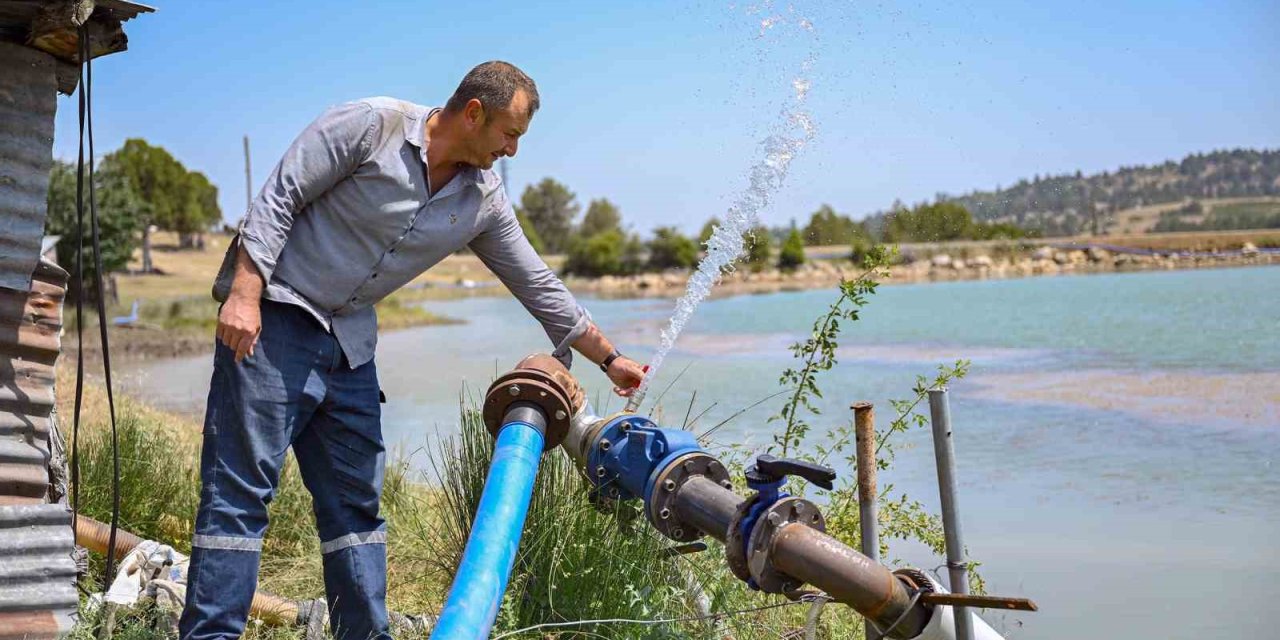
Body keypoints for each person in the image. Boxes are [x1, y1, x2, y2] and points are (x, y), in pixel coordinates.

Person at [180, 61, 645, 640]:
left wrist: (610, 358)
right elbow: (280, 197)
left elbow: (537, 282)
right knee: (240, 495)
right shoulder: (368, 126)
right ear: (473, 113)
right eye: (510, 134)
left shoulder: (482, 198)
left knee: (356, 507)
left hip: (349, 342)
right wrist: (244, 295)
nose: (513, 150)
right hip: (276, 317)